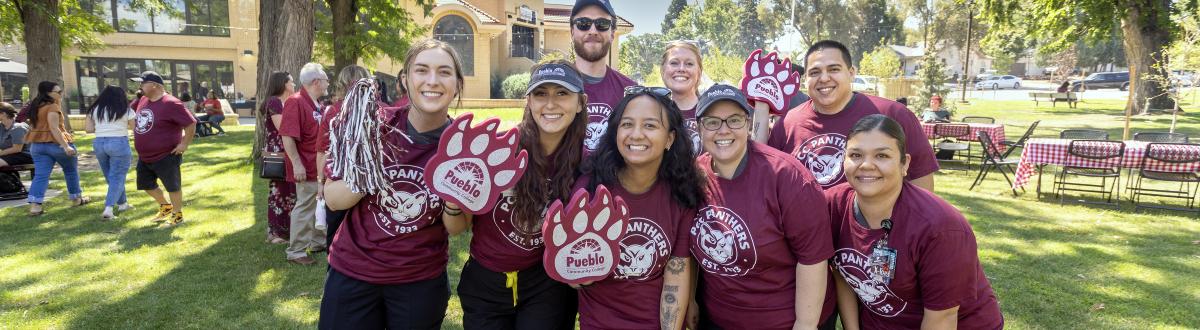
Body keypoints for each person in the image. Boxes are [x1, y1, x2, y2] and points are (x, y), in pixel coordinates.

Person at [319, 39, 469, 329]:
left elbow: (457, 227)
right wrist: (371, 160)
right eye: (421, 70)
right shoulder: (373, 126)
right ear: (405, 80)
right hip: (353, 272)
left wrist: (453, 194)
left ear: (458, 84)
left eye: (444, 72)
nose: (432, 81)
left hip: (419, 280)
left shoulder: (464, 145)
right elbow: (334, 200)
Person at [826, 114, 1003, 329]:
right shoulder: (832, 206)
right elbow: (842, 274)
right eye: (855, 155)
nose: (866, 165)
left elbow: (943, 318)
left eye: (882, 155)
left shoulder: (941, 228)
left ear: (905, 163)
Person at [444, 60, 585, 329]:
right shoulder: (498, 151)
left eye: (562, 93)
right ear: (529, 101)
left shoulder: (585, 162)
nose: (551, 104)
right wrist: (453, 201)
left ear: (580, 103)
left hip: (545, 284)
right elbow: (456, 228)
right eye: (541, 94)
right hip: (486, 281)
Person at [689, 84, 834, 330]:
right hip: (717, 319)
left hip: (784, 320)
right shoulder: (694, 175)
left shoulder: (787, 177)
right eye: (712, 122)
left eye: (734, 120)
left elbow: (813, 259)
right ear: (700, 129)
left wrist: (805, 325)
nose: (723, 130)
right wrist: (691, 300)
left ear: (748, 124)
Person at [569, 85, 704, 329]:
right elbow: (575, 276)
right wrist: (576, 272)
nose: (637, 134)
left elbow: (676, 272)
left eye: (650, 125)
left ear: (670, 139)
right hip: (600, 323)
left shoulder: (681, 192)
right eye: (627, 124)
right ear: (615, 132)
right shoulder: (590, 187)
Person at [768, 40, 938, 192]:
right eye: (814, 72)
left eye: (834, 69)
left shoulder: (894, 115)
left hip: (877, 226)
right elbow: (772, 184)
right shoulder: (786, 125)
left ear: (851, 73)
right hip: (805, 226)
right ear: (806, 79)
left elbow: (921, 183)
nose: (824, 78)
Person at [280, 62, 330, 265]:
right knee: (305, 206)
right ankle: (297, 251)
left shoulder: (314, 102)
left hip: (315, 164)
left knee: (317, 203)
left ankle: (317, 242)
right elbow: (287, 136)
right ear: (316, 81)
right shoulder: (296, 101)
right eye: (326, 79)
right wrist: (297, 164)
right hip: (306, 165)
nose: (328, 82)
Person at [316, 64, 371, 247]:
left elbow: (323, 151)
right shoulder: (380, 110)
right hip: (369, 185)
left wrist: (320, 183)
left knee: (335, 238)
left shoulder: (333, 111)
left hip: (339, 182)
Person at [571, 0, 636, 153]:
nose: (593, 30)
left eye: (602, 24)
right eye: (583, 23)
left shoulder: (631, 91)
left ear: (612, 34)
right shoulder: (553, 86)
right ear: (572, 32)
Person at [131, 71, 196, 225]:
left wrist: (184, 143)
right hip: (145, 156)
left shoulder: (171, 103)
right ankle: (165, 206)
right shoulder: (143, 100)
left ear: (154, 85)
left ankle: (177, 213)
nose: (140, 86)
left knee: (172, 186)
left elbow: (191, 123)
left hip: (166, 155)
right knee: (146, 185)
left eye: (143, 83)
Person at [25, 81, 89, 215]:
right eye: (58, 92)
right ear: (48, 93)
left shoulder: (35, 105)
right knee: (71, 171)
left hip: (37, 145)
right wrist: (65, 146)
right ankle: (77, 199)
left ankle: (35, 206)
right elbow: (54, 128)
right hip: (56, 144)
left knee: (41, 175)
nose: (61, 94)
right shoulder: (52, 106)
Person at [85, 86, 135, 219]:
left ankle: (123, 203)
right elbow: (134, 127)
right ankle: (108, 208)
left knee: (111, 176)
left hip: (99, 143)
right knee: (117, 176)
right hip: (119, 142)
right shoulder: (126, 109)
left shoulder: (94, 109)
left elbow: (88, 129)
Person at [260, 71, 297, 244]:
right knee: (278, 192)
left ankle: (288, 230)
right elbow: (282, 126)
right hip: (278, 152)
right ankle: (275, 233)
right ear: (283, 83)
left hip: (289, 150)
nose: (294, 84)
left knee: (290, 191)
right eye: (291, 81)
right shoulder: (274, 102)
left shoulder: (287, 101)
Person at [660, 40, 704, 155]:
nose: (681, 69)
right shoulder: (651, 111)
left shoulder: (712, 111)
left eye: (689, 64)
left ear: (699, 72)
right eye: (674, 63)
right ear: (663, 70)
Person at [0, 102, 31, 167]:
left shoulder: (18, 127)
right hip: (9, 155)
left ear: (3, 114)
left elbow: (17, 149)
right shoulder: (1, 127)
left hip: (23, 155)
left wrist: (1, 153)